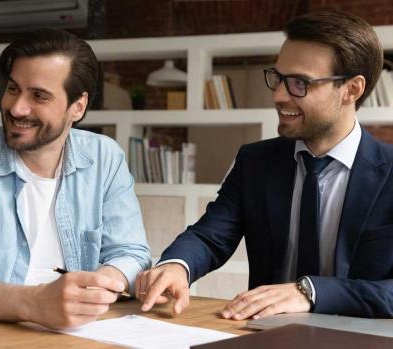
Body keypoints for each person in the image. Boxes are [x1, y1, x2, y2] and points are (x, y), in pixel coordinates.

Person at [137, 9, 393, 320]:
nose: (280, 95)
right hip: (264, 335)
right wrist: (177, 265)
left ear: (352, 89)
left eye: (300, 83)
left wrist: (309, 292)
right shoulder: (255, 162)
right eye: (279, 78)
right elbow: (211, 235)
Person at [0, 28, 151, 329]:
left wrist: (99, 283)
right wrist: (36, 303)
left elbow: (131, 252)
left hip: (76, 333)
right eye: (13, 89)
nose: (17, 108)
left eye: (39, 95)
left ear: (77, 107)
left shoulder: (104, 158)